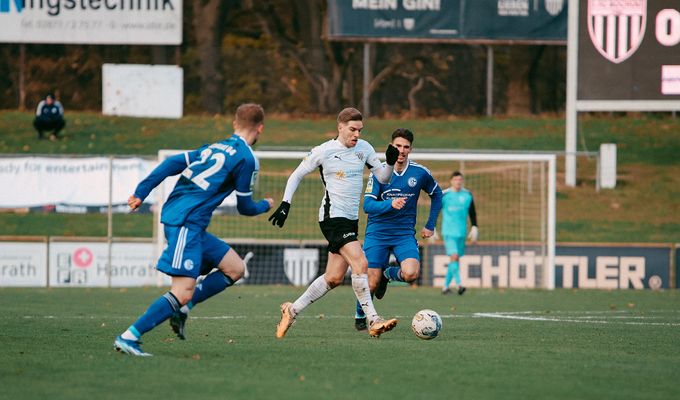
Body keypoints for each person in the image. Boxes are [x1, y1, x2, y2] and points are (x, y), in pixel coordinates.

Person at [113, 103, 273, 356]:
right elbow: (245, 207)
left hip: (190, 223)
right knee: (182, 291)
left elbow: (171, 164)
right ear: (260, 128)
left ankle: (183, 309)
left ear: (234, 124)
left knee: (235, 268)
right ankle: (129, 336)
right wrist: (266, 205)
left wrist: (141, 192)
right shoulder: (247, 158)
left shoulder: (213, 147)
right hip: (186, 223)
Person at [269, 107, 400, 338]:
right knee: (361, 263)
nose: (356, 134)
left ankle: (292, 309)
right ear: (340, 127)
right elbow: (296, 174)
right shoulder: (324, 151)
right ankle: (373, 320)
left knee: (333, 277)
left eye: (360, 130)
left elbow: (383, 178)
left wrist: (389, 163)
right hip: (332, 217)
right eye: (352, 129)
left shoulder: (365, 148)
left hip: (350, 220)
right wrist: (285, 203)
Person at [352, 128, 443, 331]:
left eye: (406, 147)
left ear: (411, 149)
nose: (401, 150)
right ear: (391, 147)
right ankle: (360, 314)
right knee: (371, 283)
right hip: (378, 233)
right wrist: (390, 205)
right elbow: (367, 206)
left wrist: (430, 224)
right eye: (398, 146)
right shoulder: (379, 172)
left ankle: (387, 274)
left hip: (403, 234)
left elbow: (438, 195)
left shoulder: (420, 173)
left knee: (411, 274)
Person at [441, 171, 478, 295]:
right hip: (448, 231)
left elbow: (472, 212)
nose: (458, 182)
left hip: (462, 232)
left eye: (460, 180)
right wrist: (432, 227)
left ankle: (445, 287)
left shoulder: (467, 195)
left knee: (455, 260)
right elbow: (435, 210)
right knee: (454, 256)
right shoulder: (445, 195)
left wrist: (474, 227)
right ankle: (459, 284)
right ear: (451, 181)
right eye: (456, 180)